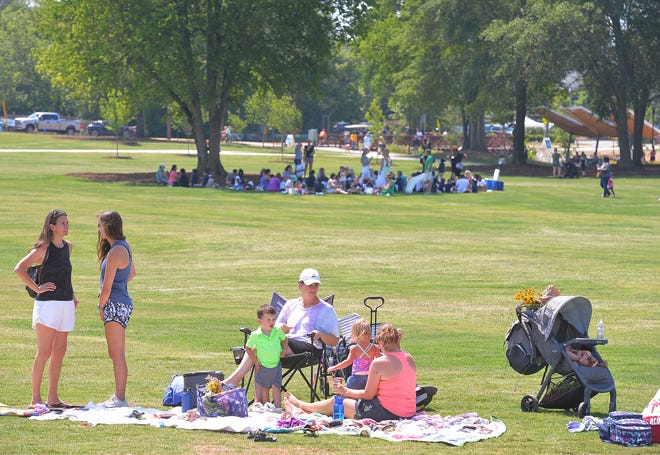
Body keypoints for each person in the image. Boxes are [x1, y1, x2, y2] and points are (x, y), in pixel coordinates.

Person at [222, 268, 339, 387]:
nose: (313, 289)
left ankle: (232, 382)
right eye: (310, 285)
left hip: (309, 348)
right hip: (283, 344)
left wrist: (321, 335)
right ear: (300, 285)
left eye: (316, 285)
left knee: (262, 344)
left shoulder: (326, 309)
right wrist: (280, 327)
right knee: (260, 342)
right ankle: (254, 396)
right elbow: (273, 326)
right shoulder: (291, 304)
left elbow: (335, 341)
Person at [285, 323, 417, 421]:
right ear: (397, 339)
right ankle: (307, 408)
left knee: (338, 402)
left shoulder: (380, 363)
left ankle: (302, 405)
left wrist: (345, 391)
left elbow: (368, 395)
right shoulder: (408, 357)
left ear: (380, 342)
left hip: (388, 413)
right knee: (345, 399)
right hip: (408, 412)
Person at [14, 209, 78, 409]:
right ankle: (35, 398)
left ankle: (53, 398)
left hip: (66, 304)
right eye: (62, 223)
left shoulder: (68, 247)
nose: (66, 226)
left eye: (67, 223)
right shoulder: (43, 248)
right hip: (47, 304)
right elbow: (19, 268)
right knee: (44, 351)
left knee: (59, 351)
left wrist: (73, 295)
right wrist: (37, 288)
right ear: (52, 226)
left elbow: (65, 274)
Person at [97, 211, 136, 408]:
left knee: (116, 353)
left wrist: (101, 305)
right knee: (116, 352)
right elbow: (132, 272)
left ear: (108, 227)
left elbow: (107, 288)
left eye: (100, 225)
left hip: (114, 304)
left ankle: (120, 397)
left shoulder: (115, 252)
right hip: (122, 302)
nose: (98, 229)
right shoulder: (123, 246)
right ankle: (118, 396)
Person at [245, 305, 288, 409]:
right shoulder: (256, 335)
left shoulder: (277, 331)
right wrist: (255, 361)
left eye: (273, 319)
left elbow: (285, 339)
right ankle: (266, 407)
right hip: (263, 365)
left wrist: (284, 350)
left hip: (276, 363)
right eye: (268, 319)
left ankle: (278, 408)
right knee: (265, 387)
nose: (271, 322)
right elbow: (248, 348)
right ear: (260, 321)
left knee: (276, 386)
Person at [327, 319, 381, 389]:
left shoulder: (354, 348)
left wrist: (334, 367)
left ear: (355, 334)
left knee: (344, 392)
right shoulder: (374, 348)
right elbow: (380, 362)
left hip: (356, 378)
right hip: (370, 378)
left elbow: (348, 362)